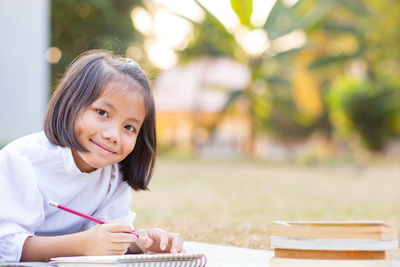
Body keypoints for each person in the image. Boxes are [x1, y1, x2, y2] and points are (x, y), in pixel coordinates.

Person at [0, 50, 183, 262]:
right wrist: (83, 244)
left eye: (129, 127)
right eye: (102, 113)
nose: (114, 135)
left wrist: (139, 241)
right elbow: (5, 246)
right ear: (71, 102)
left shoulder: (114, 175)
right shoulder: (22, 160)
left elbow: (105, 236)